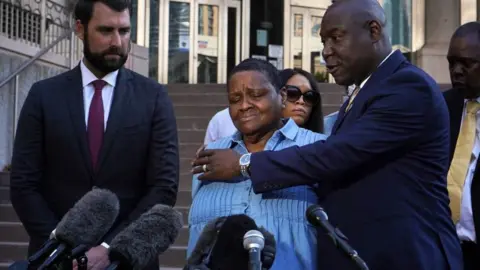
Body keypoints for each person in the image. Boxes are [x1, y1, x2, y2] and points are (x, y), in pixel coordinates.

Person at [191, 0, 462, 269]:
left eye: (336, 38)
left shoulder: (408, 86)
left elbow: (335, 155)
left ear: (374, 31)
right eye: (323, 41)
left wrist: (243, 164)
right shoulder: (365, 91)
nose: (326, 52)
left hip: (406, 255)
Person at [9, 0, 179, 269]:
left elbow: (163, 187)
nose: (117, 41)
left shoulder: (153, 98)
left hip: (127, 261)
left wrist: (110, 248)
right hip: (53, 261)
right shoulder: (44, 95)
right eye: (106, 30)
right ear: (80, 28)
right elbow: (23, 183)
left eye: (124, 31)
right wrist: (59, 246)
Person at [188, 59, 325, 270]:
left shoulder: (317, 147)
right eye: (235, 99)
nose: (244, 106)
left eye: (256, 95)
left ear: (282, 97)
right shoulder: (209, 156)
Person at [203, 68, 336, 144]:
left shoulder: (322, 142)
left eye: (309, 96)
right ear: (280, 95)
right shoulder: (223, 124)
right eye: (293, 93)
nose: (301, 101)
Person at [443, 21, 480, 270]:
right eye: (451, 62)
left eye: (466, 64)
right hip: (444, 249)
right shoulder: (440, 107)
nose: (456, 71)